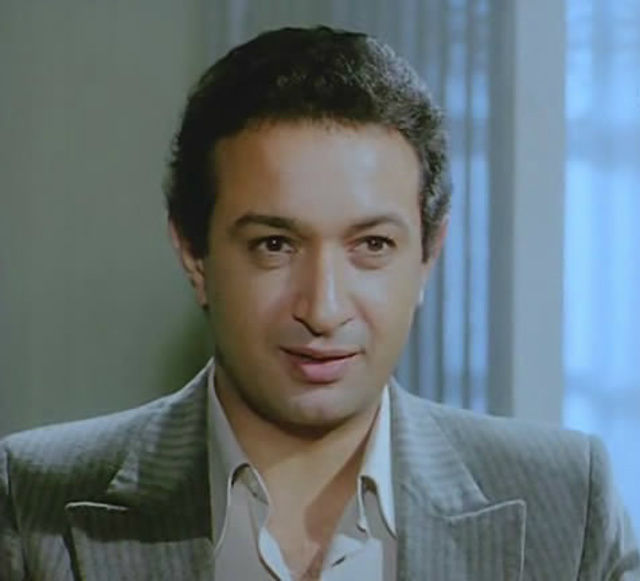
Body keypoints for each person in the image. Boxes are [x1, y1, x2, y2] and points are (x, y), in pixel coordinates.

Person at [1, 25, 638, 581]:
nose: (324, 308)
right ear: (195, 254)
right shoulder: (32, 505)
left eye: (372, 245)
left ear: (428, 255)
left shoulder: (564, 503)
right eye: (275, 245)